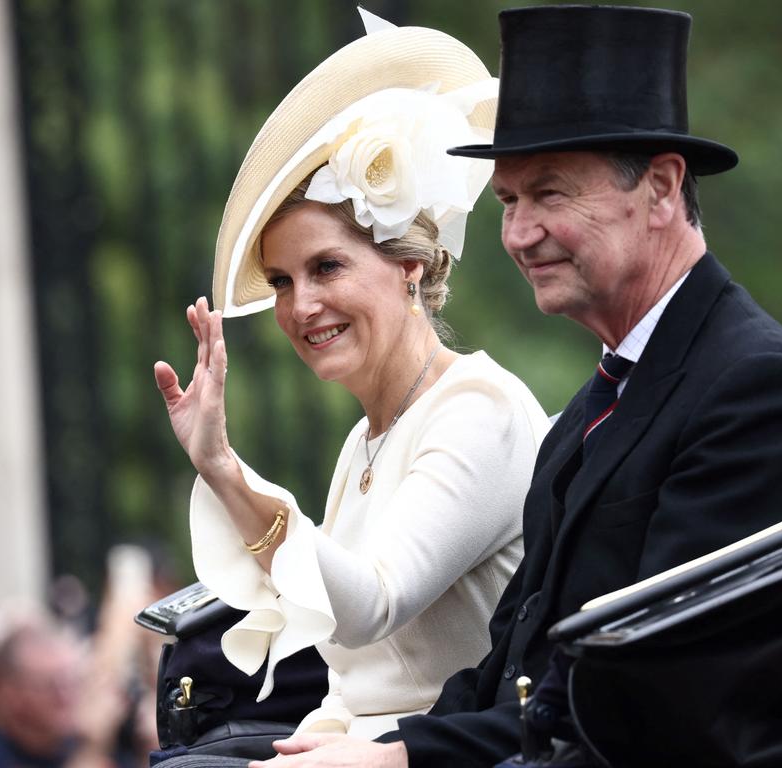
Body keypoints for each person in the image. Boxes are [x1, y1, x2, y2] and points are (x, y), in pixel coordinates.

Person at [251, 5, 782, 767]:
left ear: (663, 188)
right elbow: (506, 669)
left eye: (550, 194)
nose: (516, 234)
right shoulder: (590, 409)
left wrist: (396, 759)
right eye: (509, 201)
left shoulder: (757, 392)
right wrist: (384, 744)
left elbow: (659, 695)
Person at [153, 10, 550, 743]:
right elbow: (354, 673)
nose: (302, 305)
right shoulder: (366, 440)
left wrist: (224, 468)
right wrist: (324, 728)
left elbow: (372, 603)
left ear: (410, 267)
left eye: (326, 267)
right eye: (280, 280)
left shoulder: (478, 413)